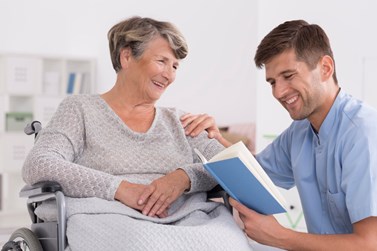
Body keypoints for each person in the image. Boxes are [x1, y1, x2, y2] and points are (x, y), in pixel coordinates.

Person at [22, 16, 252, 250]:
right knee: (143, 244)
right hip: (107, 214)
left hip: (188, 217)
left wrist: (183, 177)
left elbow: (235, 172)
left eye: (175, 66)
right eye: (162, 61)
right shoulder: (80, 109)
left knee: (227, 242)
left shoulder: (181, 121)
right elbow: (39, 164)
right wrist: (121, 189)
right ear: (127, 56)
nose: (169, 75)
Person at [182, 20, 377, 250]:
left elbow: (369, 243)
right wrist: (216, 137)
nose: (278, 92)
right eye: (272, 82)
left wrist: (280, 236)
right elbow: (254, 173)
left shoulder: (364, 133)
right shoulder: (300, 131)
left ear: (325, 68)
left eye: (289, 75)